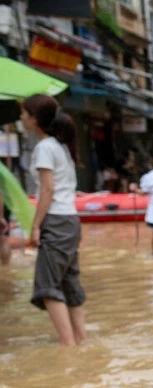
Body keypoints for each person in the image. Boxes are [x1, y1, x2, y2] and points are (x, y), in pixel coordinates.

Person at [21, 94, 86, 345]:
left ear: (34, 119)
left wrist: (35, 226)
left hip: (56, 220)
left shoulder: (44, 148)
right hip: (70, 220)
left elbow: (47, 190)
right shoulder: (61, 147)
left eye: (24, 114)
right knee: (70, 283)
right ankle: (81, 341)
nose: (21, 117)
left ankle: (67, 347)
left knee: (48, 287)